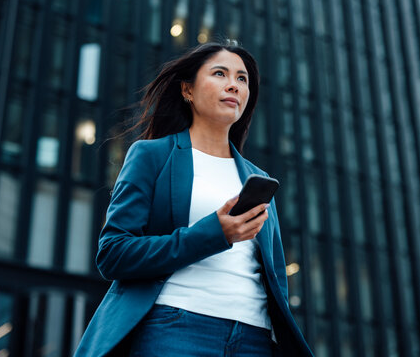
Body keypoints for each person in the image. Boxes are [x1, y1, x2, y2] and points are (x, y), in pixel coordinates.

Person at [74, 41, 313, 357]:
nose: (234, 85)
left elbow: (276, 279)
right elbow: (113, 253)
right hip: (175, 326)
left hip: (255, 339)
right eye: (220, 73)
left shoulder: (257, 178)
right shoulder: (152, 156)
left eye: (242, 79)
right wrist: (214, 234)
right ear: (187, 90)